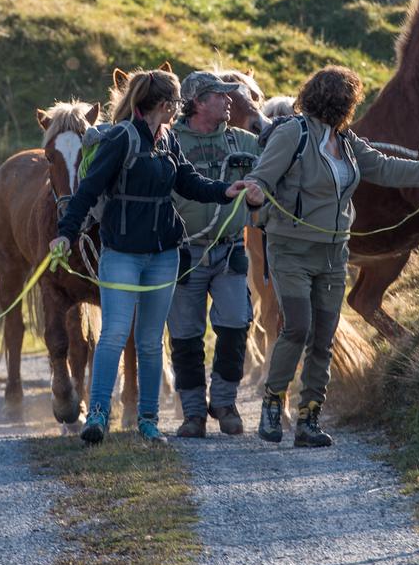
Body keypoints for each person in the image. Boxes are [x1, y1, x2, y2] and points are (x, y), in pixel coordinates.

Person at [246, 66, 419, 447]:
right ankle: (273, 405)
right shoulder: (291, 134)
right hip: (290, 249)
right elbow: (263, 176)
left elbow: (383, 166)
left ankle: (309, 418)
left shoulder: (344, 141)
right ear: (342, 102)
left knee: (323, 337)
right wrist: (255, 192)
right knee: (296, 327)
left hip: (333, 251)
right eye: (351, 101)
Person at [51, 68, 263, 445]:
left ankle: (148, 421)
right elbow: (88, 191)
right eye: (175, 104)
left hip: (164, 254)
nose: (177, 110)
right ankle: (97, 415)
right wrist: (65, 234)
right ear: (163, 105)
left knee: (149, 341)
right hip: (121, 254)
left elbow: (187, 180)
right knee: (114, 334)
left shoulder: (167, 140)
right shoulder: (121, 138)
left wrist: (224, 191)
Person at [167, 72, 262, 438]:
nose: (229, 102)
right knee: (185, 335)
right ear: (198, 102)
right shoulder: (169, 142)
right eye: (221, 96)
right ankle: (192, 414)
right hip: (184, 255)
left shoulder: (243, 142)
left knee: (237, 324)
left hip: (230, 251)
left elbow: (276, 163)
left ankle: (224, 403)